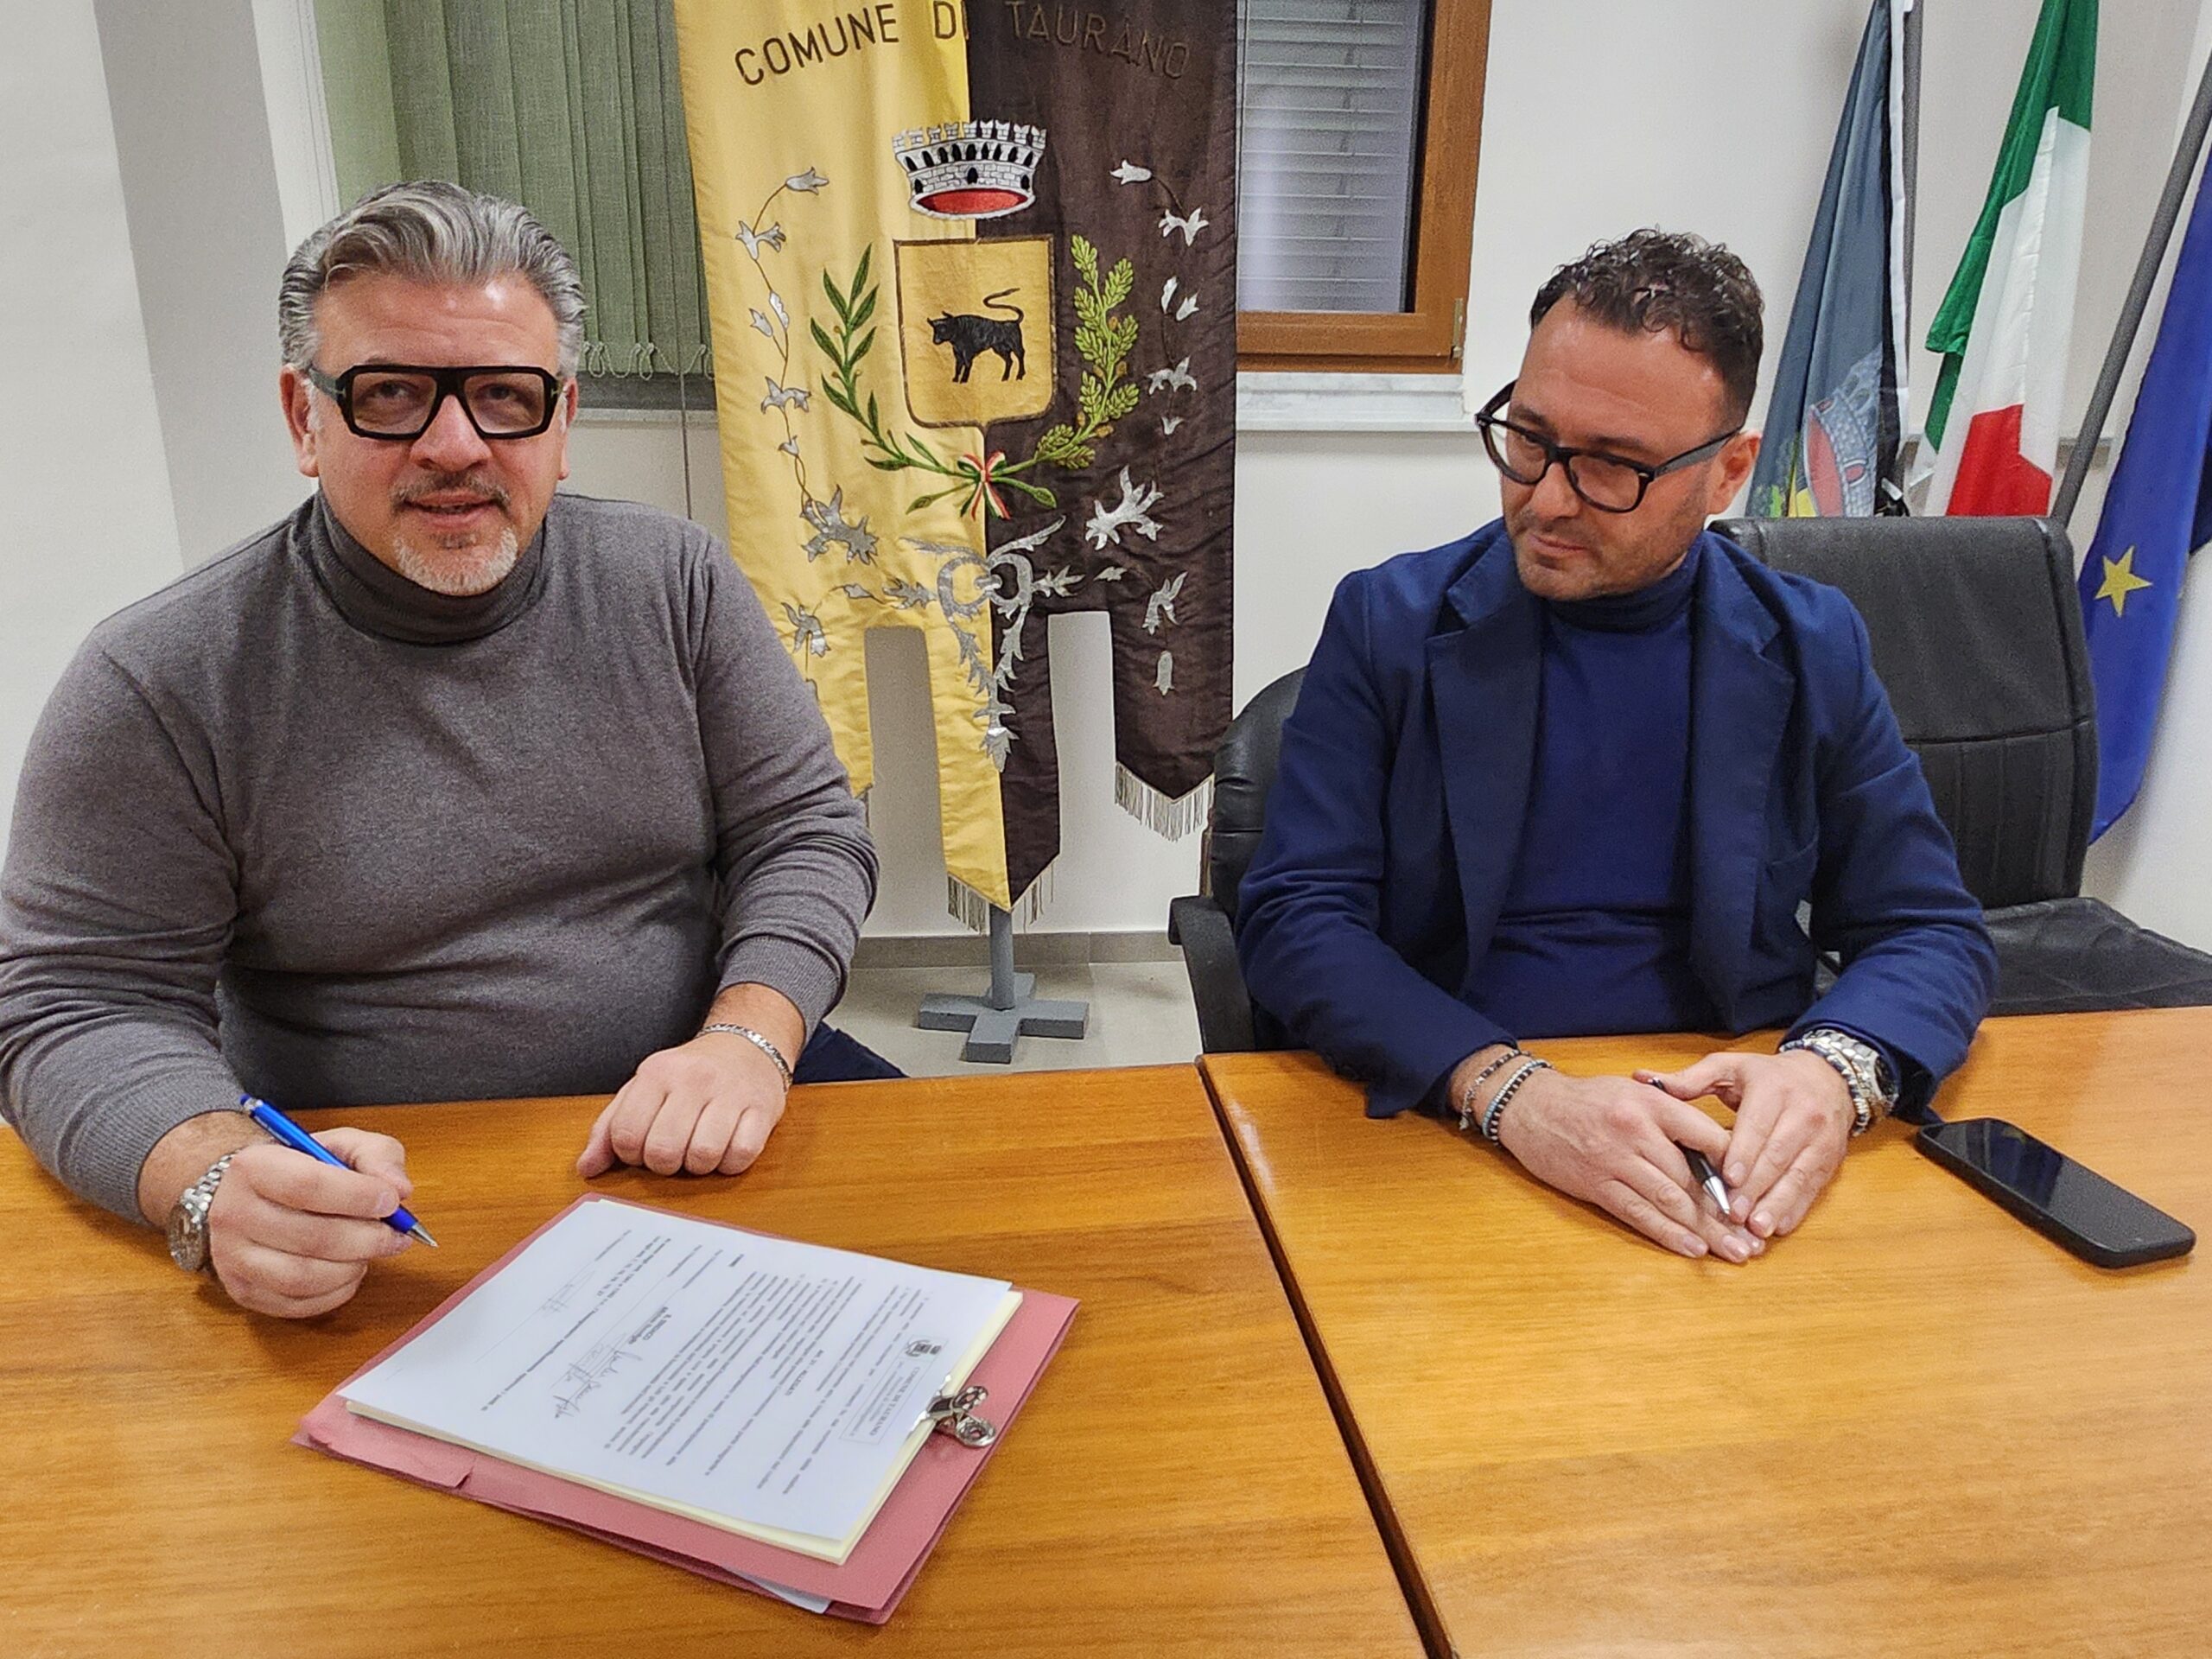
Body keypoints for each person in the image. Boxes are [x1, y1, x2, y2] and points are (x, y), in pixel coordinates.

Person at [0, 181, 882, 1318]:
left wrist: (749, 1038)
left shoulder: (676, 583)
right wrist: (213, 1178)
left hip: (711, 1108)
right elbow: (75, 1004)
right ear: (304, 418)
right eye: (391, 395)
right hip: (369, 1194)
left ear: (562, 421)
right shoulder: (160, 678)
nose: (455, 445)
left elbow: (803, 831)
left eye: (505, 396)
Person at [1236, 230, 1994, 1266]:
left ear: (1726, 473)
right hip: (1456, 1121)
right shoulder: (1389, 623)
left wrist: (1830, 1071)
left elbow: (1927, 926)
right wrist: (1512, 1094)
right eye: (1530, 437)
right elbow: (1295, 917)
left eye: (1612, 466)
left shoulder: (1809, 642)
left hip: (1725, 1134)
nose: (1546, 498)